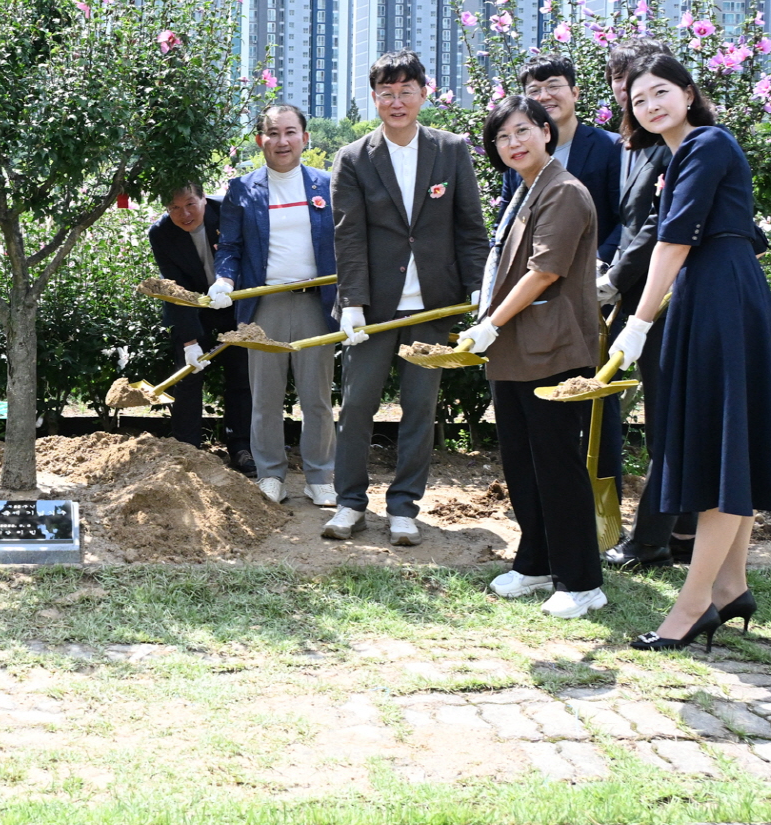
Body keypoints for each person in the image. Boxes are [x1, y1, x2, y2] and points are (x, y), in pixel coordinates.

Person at [611, 54, 771, 651]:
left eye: (661, 92)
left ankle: (692, 607)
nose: (650, 106)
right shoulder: (678, 155)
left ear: (688, 93)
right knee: (730, 447)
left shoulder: (706, 143)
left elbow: (674, 239)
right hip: (718, 293)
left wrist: (638, 322)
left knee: (721, 454)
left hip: (719, 295)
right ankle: (730, 587)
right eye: (639, 101)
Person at [325, 51, 488, 545]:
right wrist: (351, 301)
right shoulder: (353, 158)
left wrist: (481, 289)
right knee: (356, 406)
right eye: (387, 93)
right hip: (373, 306)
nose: (397, 102)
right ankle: (350, 503)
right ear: (375, 98)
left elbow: (469, 226)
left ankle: (403, 507)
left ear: (424, 93)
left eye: (406, 91)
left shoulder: (451, 149)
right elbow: (347, 236)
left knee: (420, 407)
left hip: (434, 303)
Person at [469, 95, 607, 619]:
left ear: (546, 132)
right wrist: (491, 325)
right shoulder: (526, 191)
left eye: (522, 131)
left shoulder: (564, 191)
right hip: (513, 350)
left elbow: (545, 271)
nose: (513, 144)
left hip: (549, 349)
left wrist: (491, 323)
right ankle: (536, 563)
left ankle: (582, 581)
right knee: (522, 463)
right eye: (503, 137)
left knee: (556, 463)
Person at [212, 104, 339, 507]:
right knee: (264, 396)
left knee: (316, 395)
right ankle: (271, 474)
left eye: (289, 132)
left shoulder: (327, 185)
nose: (281, 141)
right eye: (272, 133)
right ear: (259, 140)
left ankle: (320, 476)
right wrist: (224, 279)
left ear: (304, 137)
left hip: (314, 303)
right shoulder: (242, 189)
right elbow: (230, 246)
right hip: (263, 303)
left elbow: (346, 244)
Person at [598, 38, 693, 570]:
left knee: (667, 422)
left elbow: (660, 228)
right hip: (640, 293)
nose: (629, 92)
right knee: (665, 420)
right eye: (621, 82)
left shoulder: (676, 144)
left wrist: (616, 280)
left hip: (669, 298)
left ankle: (652, 539)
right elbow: (629, 223)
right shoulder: (631, 144)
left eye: (641, 82)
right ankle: (679, 532)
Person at [147, 182, 252, 472]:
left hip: (237, 306)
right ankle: (186, 450)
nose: (185, 214)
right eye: (175, 208)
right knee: (188, 377)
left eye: (190, 204)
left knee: (242, 379)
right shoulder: (161, 233)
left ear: (204, 198)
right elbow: (174, 290)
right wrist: (189, 341)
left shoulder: (228, 213)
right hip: (193, 311)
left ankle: (242, 448)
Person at [499, 56, 622, 258]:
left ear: (575, 93)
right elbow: (506, 223)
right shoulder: (518, 154)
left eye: (553, 86)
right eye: (534, 91)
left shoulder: (609, 147)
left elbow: (625, 220)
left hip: (593, 276)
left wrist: (598, 268)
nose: (544, 96)